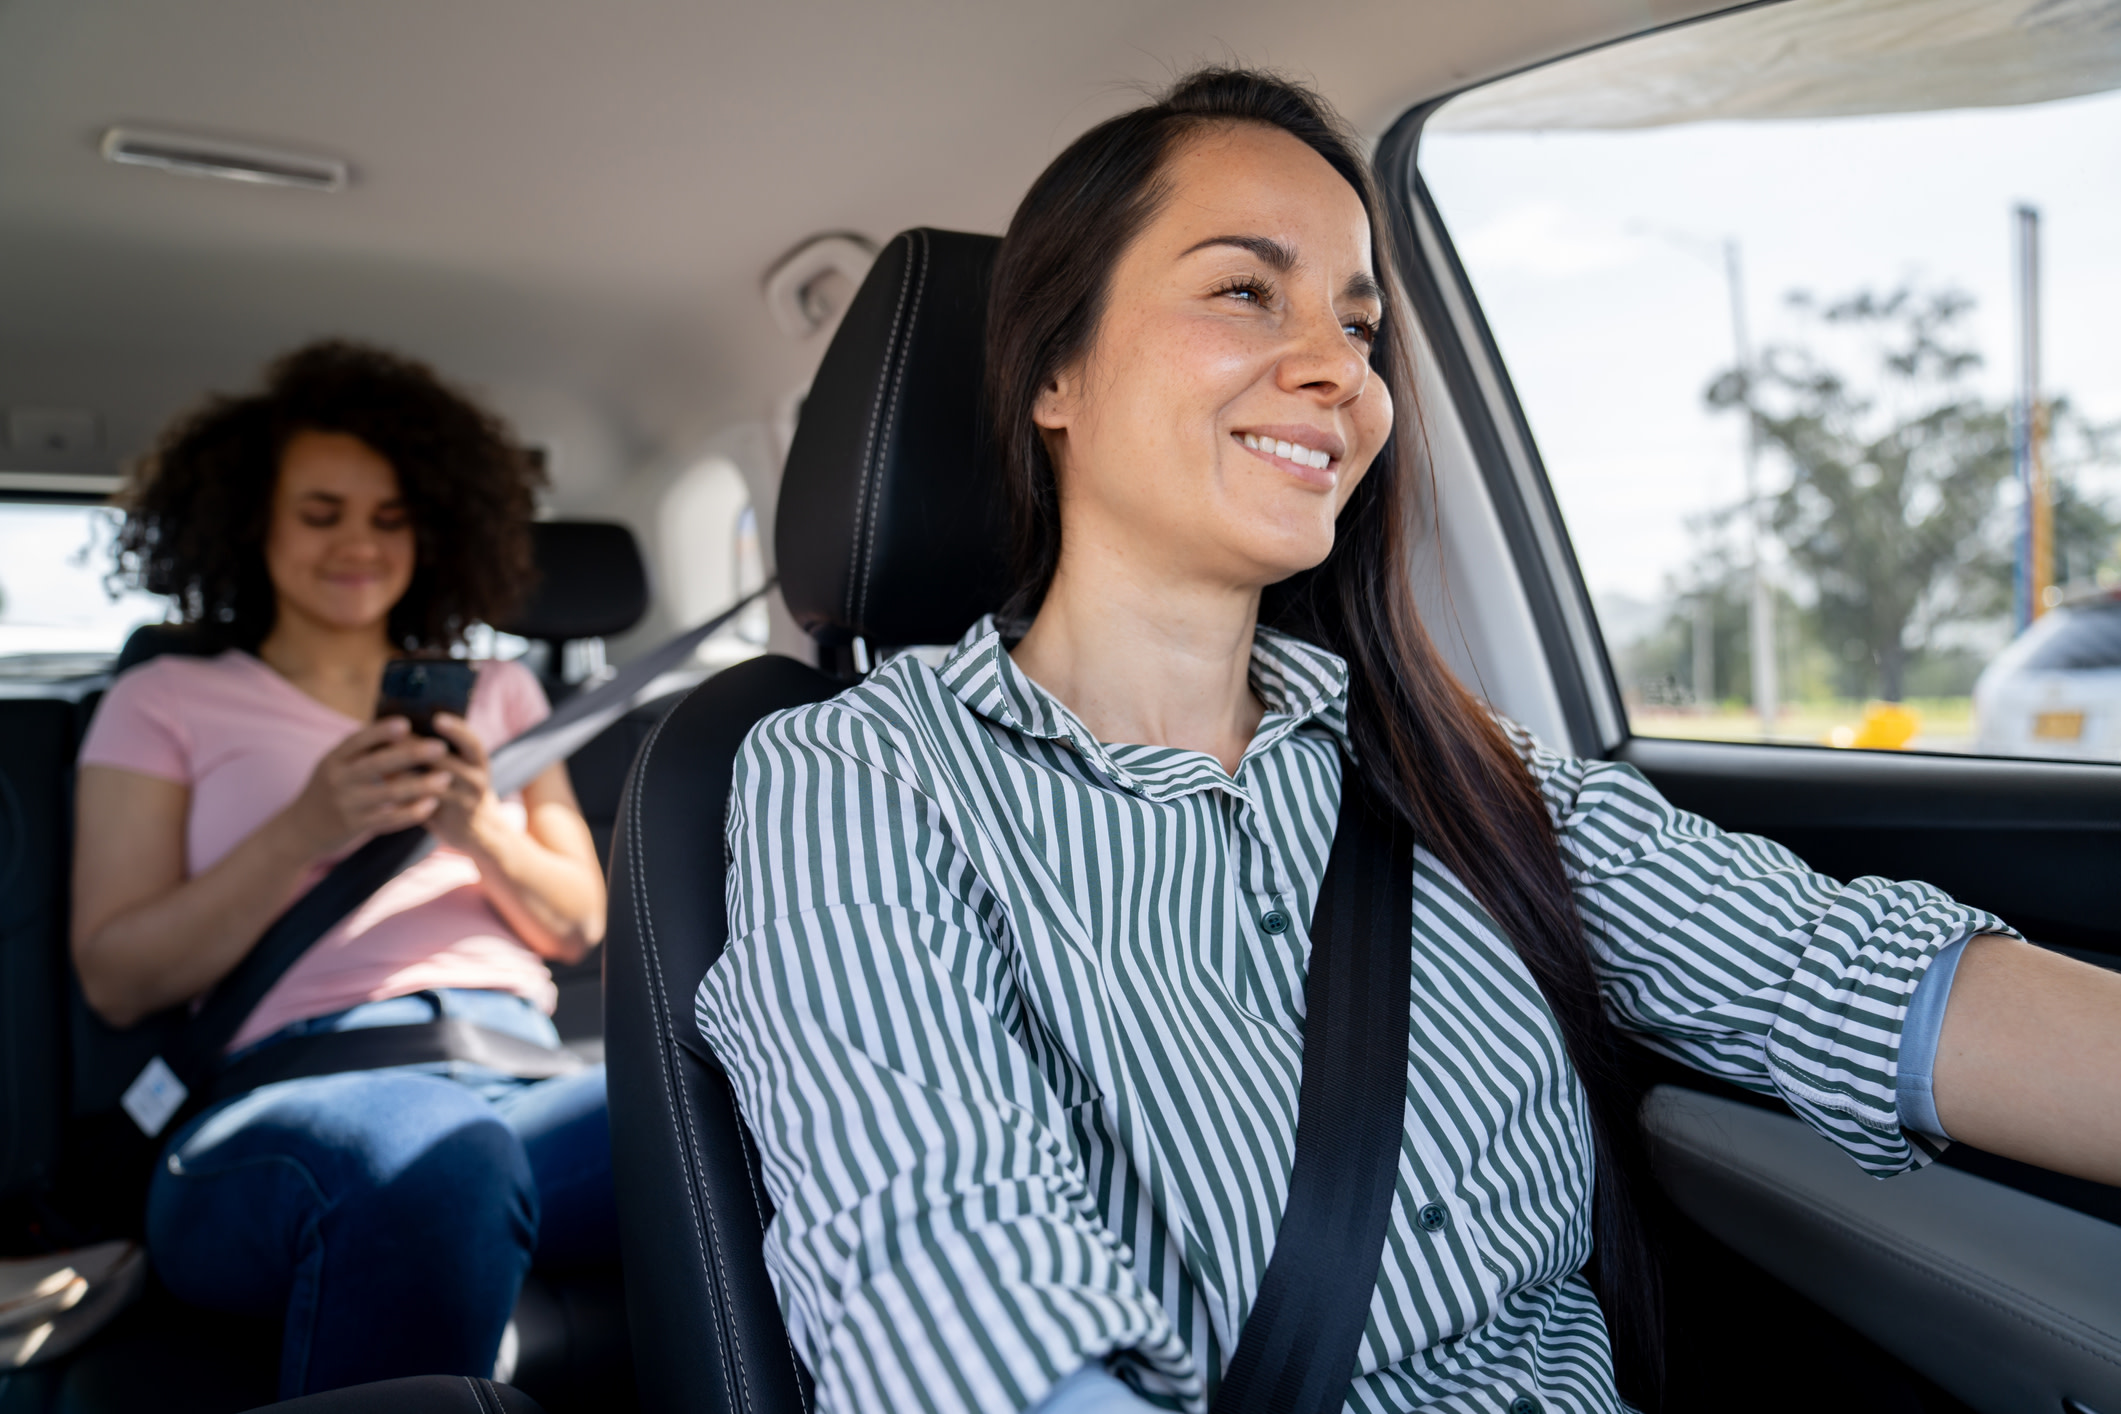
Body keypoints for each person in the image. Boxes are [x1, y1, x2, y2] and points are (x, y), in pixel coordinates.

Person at [695, 69, 2121, 1414]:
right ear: (1052, 374)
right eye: (1246, 291)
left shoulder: (1453, 761)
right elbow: (943, 1269)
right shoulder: (862, 778)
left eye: (1361, 326)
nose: (1336, 368)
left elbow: (1839, 972)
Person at [72, 341, 614, 1398]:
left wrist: (478, 828)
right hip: (289, 1097)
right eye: (321, 513)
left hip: (522, 1075)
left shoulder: (499, 693)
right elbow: (117, 973)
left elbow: (579, 925)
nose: (358, 543)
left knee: (768, 1099)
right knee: (435, 1154)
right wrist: (305, 825)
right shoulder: (166, 700)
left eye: (389, 515)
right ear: (251, 523)